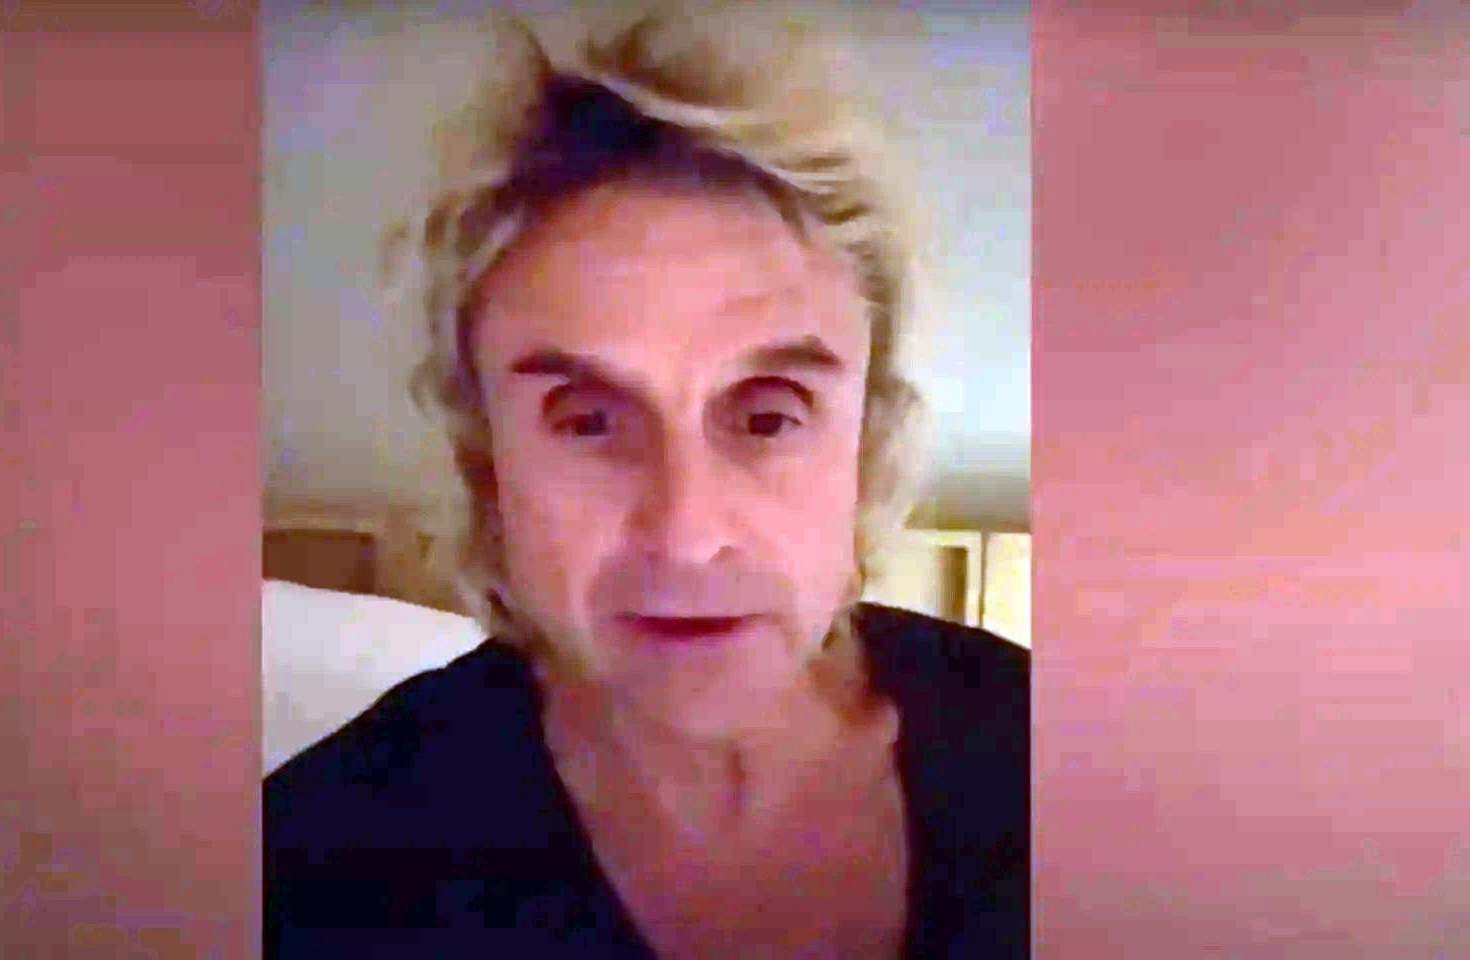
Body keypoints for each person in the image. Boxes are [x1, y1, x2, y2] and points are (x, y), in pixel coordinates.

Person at [265, 6, 1027, 958]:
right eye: (587, 420)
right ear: (486, 462)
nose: (686, 534)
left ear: (864, 447)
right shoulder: (312, 869)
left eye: (768, 416)